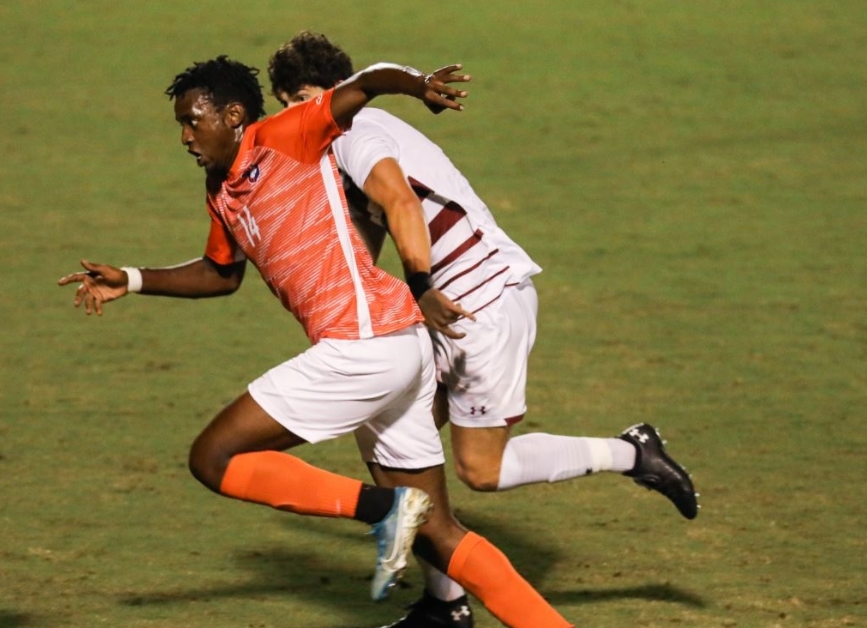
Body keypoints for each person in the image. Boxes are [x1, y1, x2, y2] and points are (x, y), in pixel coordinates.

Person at [60, 56, 573, 628]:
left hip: (364, 345)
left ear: (233, 116)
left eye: (192, 121)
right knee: (439, 535)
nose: (184, 137)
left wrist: (419, 85)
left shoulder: (289, 132)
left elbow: (367, 83)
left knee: (213, 457)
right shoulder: (220, 188)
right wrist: (131, 279)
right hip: (399, 346)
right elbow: (220, 274)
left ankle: (386, 508)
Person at [268, 31, 700, 627]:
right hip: (449, 306)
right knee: (393, 436)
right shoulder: (341, 145)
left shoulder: (354, 135)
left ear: (330, 94)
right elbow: (364, 236)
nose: (296, 114)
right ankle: (445, 605)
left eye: (302, 99)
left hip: (479, 305)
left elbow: (400, 205)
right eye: (287, 103)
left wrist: (418, 287)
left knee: (480, 470)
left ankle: (633, 453)